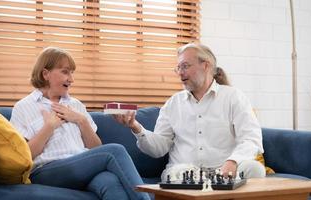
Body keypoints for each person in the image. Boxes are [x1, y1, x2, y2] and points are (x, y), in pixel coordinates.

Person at [10, 47, 150, 200]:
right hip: (47, 171)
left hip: (83, 167)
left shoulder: (76, 105)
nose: (71, 79)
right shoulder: (23, 107)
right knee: (115, 151)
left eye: (72, 73)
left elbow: (96, 148)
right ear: (46, 74)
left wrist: (81, 120)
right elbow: (25, 156)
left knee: (110, 183)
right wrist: (49, 127)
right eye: (65, 72)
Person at [114, 43, 266, 181]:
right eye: (178, 68)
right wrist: (135, 126)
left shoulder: (233, 97)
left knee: (255, 169)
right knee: (177, 173)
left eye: (185, 66)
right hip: (184, 172)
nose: (180, 72)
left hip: (225, 172)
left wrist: (233, 161)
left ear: (205, 65)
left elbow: (251, 139)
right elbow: (158, 148)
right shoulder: (174, 103)